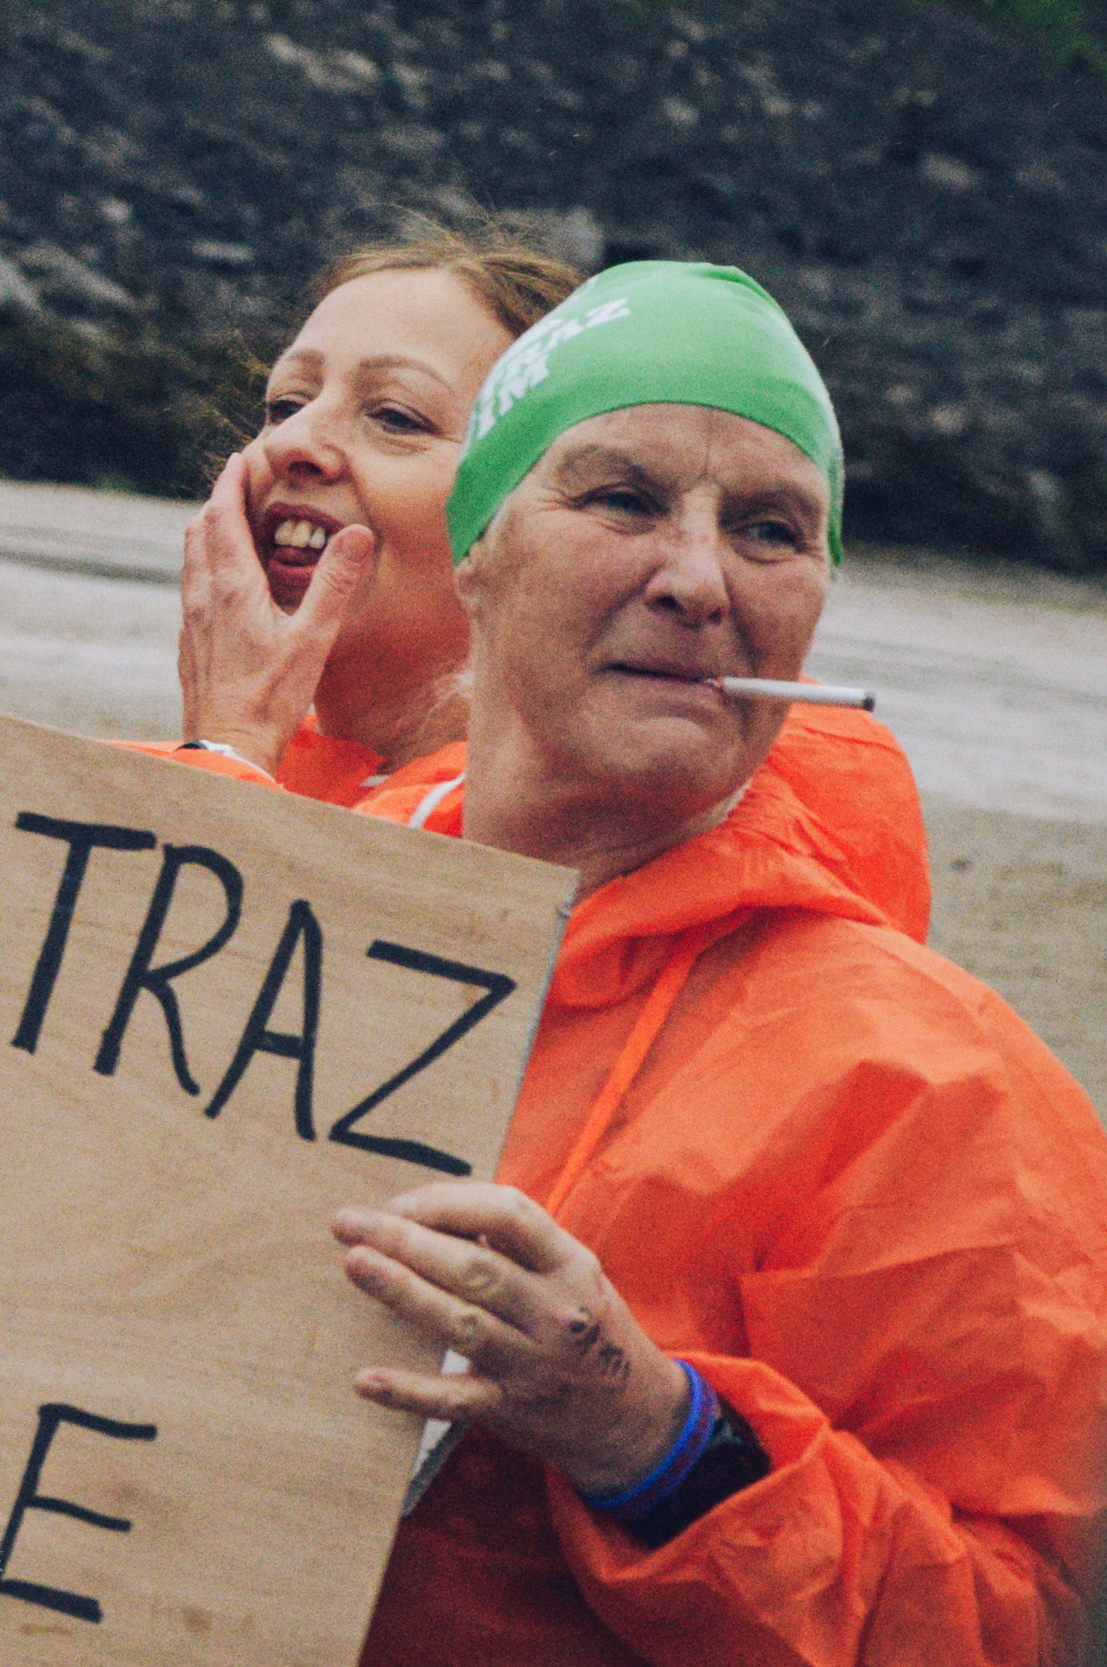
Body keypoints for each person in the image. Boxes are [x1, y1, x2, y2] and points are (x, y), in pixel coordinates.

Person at [316, 262, 1107, 1663]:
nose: (696, 580)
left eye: (770, 529)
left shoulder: (933, 1083)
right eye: (622, 498)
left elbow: (1025, 1626)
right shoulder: (289, 893)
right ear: (478, 546)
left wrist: (650, 1434)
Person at [156, 229, 931, 940]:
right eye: (284, 404)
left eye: (395, 417)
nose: (292, 441)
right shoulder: (260, 771)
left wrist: (224, 755)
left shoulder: (627, 829)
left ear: (503, 523)